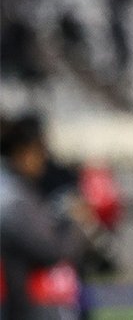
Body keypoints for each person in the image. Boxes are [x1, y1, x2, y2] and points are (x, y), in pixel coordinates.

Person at [0, 114, 90, 319]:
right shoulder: (13, 199)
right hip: (24, 307)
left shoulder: (19, 190)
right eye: (39, 151)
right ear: (23, 152)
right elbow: (53, 249)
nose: (43, 159)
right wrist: (78, 224)